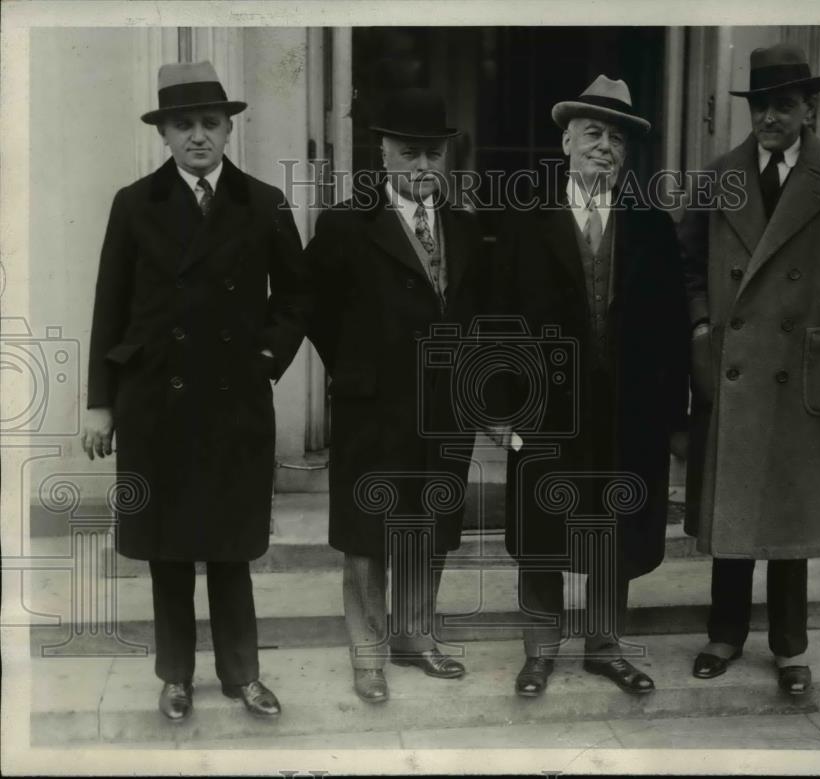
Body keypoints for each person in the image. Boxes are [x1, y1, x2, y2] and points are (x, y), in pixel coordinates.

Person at [82, 61, 307, 721]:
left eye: (210, 122)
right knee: (169, 548)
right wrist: (100, 402)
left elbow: (298, 296)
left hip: (235, 399)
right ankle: (175, 675)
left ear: (230, 128)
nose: (198, 136)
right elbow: (108, 306)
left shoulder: (263, 202)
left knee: (231, 547)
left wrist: (267, 356)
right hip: (155, 399)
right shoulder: (134, 202)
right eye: (184, 125)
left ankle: (242, 675)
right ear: (165, 134)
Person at [679, 43, 820, 695]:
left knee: (790, 512)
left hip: (804, 366)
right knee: (734, 508)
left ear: (809, 108)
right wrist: (699, 322)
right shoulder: (720, 175)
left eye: (783, 105)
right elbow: (687, 265)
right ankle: (723, 634)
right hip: (736, 367)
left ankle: (789, 645)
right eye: (761, 105)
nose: (769, 117)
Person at [491, 75, 690, 698]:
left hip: (626, 409)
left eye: (617, 139)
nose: (604, 147)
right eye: (593, 134)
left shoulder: (652, 225)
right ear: (567, 144)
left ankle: (605, 647)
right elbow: (497, 323)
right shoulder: (525, 221)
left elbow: (673, 327)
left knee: (615, 527)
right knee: (543, 534)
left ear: (627, 154)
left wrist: (669, 412)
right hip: (546, 409)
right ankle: (540, 653)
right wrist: (499, 408)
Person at [304, 88, 485, 704]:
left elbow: (477, 316)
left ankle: (415, 637)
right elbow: (314, 309)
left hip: (444, 408)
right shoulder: (345, 225)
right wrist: (357, 370)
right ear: (382, 153)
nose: (422, 168)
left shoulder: (466, 228)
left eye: (433, 154)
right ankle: (368, 655)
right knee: (367, 532)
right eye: (409, 154)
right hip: (373, 404)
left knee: (429, 524)